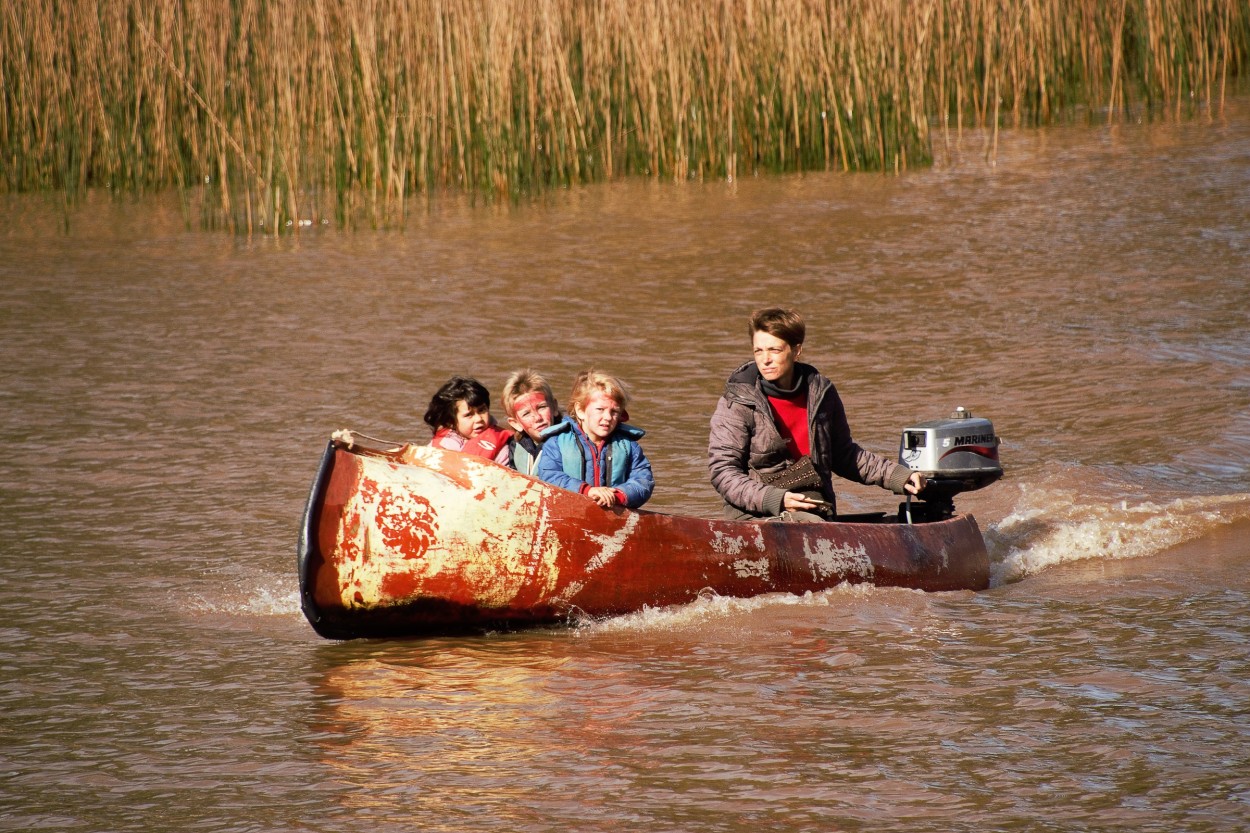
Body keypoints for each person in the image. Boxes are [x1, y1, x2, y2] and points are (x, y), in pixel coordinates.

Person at [707, 307, 925, 521]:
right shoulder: (737, 401)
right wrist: (775, 499)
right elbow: (724, 471)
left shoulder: (822, 394)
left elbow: (845, 455)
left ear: (796, 350)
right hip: (756, 515)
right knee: (807, 524)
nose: (765, 360)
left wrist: (898, 476)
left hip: (815, 509)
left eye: (774, 350)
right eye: (758, 351)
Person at [534, 369, 654, 509]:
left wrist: (618, 495)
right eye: (600, 409)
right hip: (567, 513)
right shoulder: (556, 442)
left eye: (614, 411)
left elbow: (644, 481)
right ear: (580, 410)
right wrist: (587, 491)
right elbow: (549, 475)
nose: (608, 417)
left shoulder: (629, 446)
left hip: (614, 515)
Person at [423, 375, 512, 465]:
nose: (478, 419)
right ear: (450, 422)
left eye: (481, 410)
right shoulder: (436, 448)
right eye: (469, 415)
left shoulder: (502, 450)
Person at [500, 368, 562, 476]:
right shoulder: (515, 447)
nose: (537, 418)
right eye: (526, 414)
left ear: (554, 408)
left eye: (542, 407)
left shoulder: (568, 443)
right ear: (515, 423)